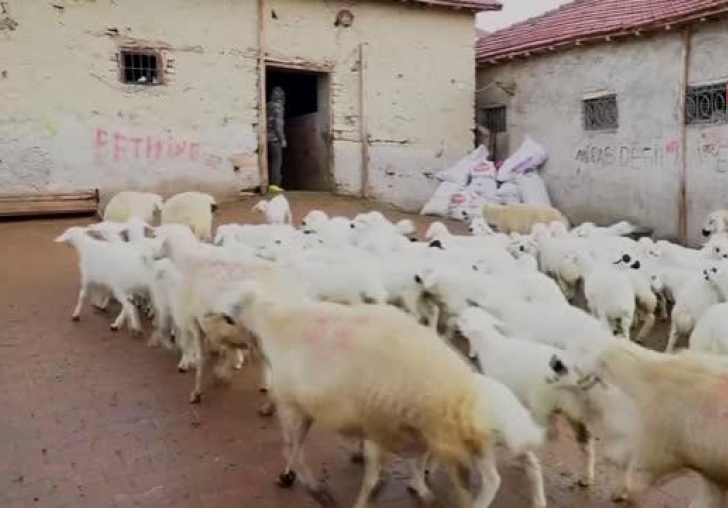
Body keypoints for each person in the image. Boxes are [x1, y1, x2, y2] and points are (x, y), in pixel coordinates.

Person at [267, 86, 286, 193]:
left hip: (266, 138)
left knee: (271, 160)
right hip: (275, 138)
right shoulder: (278, 107)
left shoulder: (267, 105)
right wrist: (282, 138)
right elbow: (278, 124)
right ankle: (274, 185)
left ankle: (270, 183)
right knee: (277, 161)